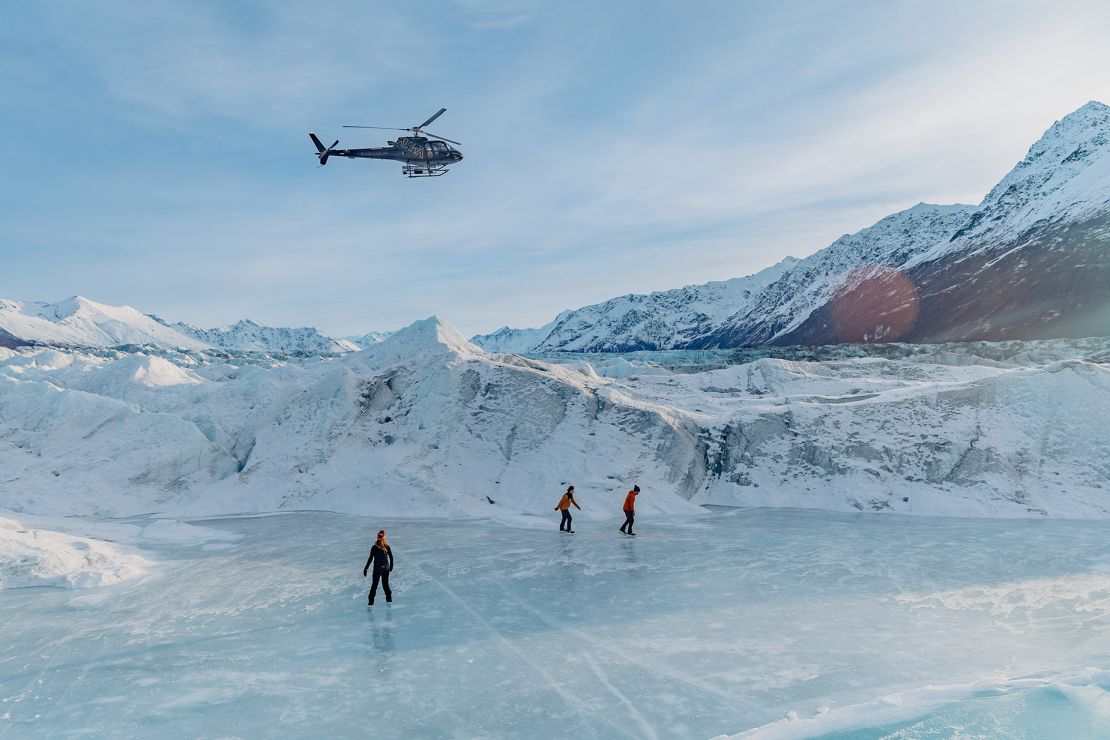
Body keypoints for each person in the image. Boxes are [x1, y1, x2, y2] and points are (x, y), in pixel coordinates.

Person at [363, 529, 394, 606]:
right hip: (385, 569)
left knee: (374, 586)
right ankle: (389, 602)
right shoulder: (387, 546)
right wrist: (391, 566)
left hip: (377, 569)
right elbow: (391, 557)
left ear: (377, 537)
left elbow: (370, 559)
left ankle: (370, 604)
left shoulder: (374, 547)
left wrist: (366, 568)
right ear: (384, 537)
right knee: (385, 585)